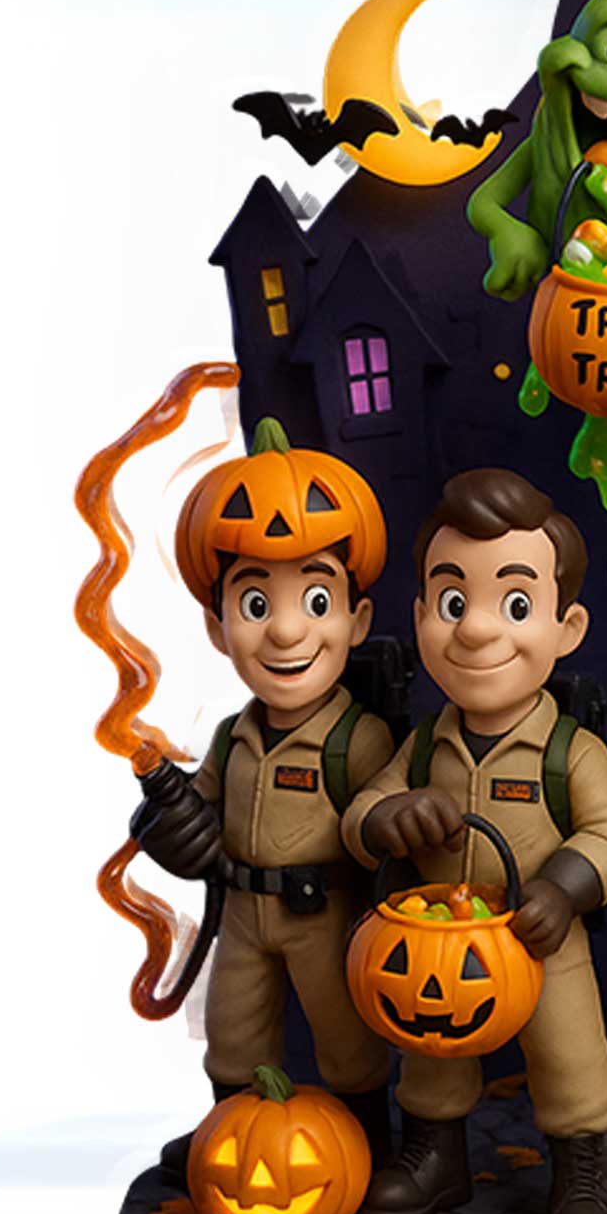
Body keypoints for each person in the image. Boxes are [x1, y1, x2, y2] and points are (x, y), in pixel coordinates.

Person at [341, 470, 607, 1214]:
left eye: (513, 605)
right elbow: (360, 813)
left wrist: (566, 886)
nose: (475, 631)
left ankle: (583, 1171)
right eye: (451, 602)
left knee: (572, 1061)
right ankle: (435, 1154)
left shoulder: (570, 752)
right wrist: (386, 820)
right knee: (431, 1053)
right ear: (419, 616)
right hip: (437, 945)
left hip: (540, 942)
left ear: (567, 627)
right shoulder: (423, 746)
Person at [127, 420, 396, 1156]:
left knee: (344, 1034)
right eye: (254, 604)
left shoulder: (356, 739)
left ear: (356, 619)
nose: (283, 632)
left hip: (325, 912)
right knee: (234, 1028)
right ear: (219, 628)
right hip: (243, 909)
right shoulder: (233, 735)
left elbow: (381, 816)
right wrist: (168, 819)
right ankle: (234, 1136)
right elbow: (202, 805)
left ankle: (366, 1143)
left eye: (316, 601)